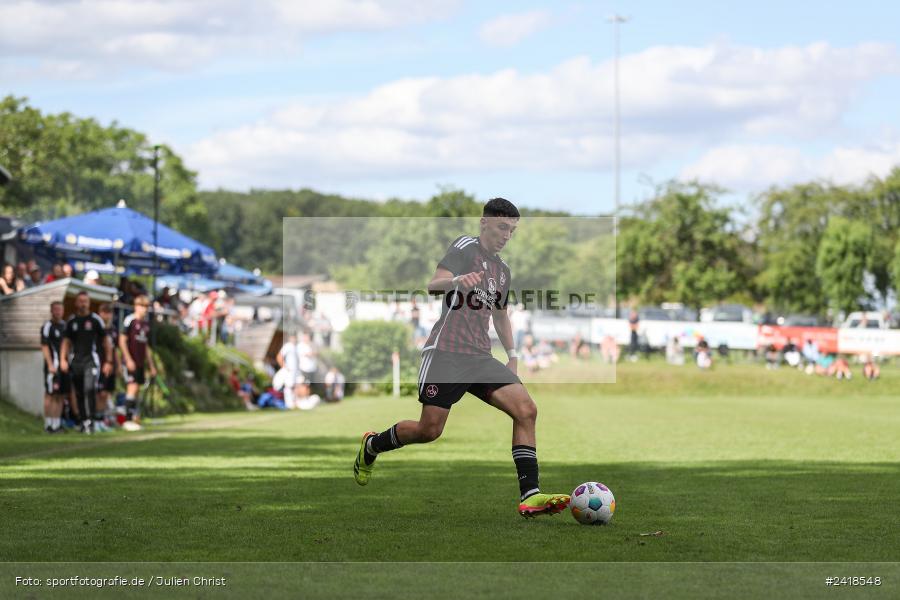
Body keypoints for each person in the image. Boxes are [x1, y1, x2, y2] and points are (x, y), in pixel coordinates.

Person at [353, 198, 570, 518]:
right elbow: (433, 284)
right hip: (446, 355)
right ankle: (372, 445)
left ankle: (530, 495)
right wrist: (456, 281)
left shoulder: (502, 270)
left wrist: (512, 355)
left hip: (480, 357)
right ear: (484, 223)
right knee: (430, 430)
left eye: (511, 230)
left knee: (526, 410)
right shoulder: (465, 247)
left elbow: (501, 315)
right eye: (501, 227)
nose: (506, 235)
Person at [59, 291, 114, 434]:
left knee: (89, 389)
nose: (83, 304)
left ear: (89, 303)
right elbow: (66, 341)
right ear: (77, 303)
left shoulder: (95, 320)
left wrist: (108, 361)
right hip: (76, 361)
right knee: (79, 393)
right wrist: (62, 359)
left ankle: (91, 420)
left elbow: (106, 341)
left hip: (91, 361)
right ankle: (83, 421)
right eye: (81, 301)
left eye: (85, 301)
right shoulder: (71, 321)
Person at [119, 294, 157, 429]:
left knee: (136, 390)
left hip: (140, 362)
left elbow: (145, 347)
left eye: (146, 306)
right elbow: (122, 340)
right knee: (132, 387)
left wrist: (151, 365)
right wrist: (128, 359)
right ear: (136, 306)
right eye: (142, 306)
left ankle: (133, 417)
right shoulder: (130, 320)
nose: (144, 309)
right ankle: (127, 420)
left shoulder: (146, 325)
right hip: (130, 361)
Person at [40, 301, 69, 433]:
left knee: (60, 395)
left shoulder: (65, 326)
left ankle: (56, 424)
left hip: (63, 367)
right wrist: (50, 364)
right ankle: (48, 424)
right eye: (55, 310)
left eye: (60, 310)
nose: (58, 312)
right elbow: (45, 346)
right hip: (53, 367)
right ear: (52, 311)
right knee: (50, 394)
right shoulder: (47, 326)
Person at [96, 303, 119, 431]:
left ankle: (103, 420)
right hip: (100, 363)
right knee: (101, 393)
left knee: (107, 393)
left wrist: (118, 365)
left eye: (109, 312)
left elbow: (114, 349)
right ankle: (97, 420)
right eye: (105, 312)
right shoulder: (98, 328)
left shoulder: (113, 330)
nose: (107, 315)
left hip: (111, 365)